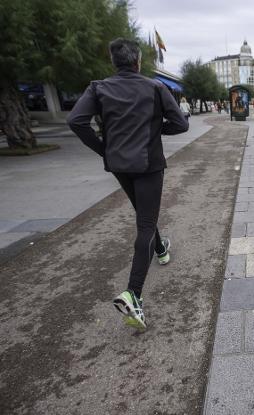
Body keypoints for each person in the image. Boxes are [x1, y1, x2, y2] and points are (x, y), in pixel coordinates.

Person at [67, 38, 189, 331]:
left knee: (144, 213)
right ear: (137, 62)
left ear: (114, 62)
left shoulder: (98, 87)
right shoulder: (155, 87)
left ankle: (160, 249)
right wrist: (156, 127)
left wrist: (104, 149)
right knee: (145, 223)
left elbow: (76, 121)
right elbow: (181, 124)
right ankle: (133, 293)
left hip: (119, 165)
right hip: (148, 165)